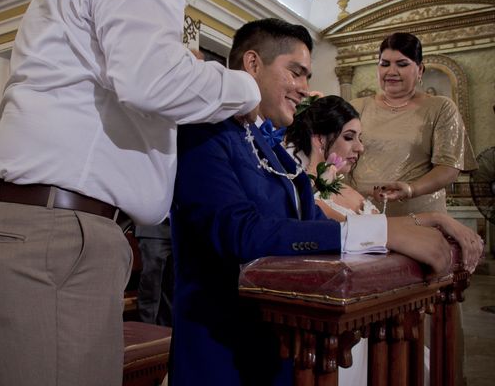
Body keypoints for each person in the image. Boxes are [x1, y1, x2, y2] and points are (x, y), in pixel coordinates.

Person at [0, 0, 260, 385]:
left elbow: (135, 80)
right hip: (60, 229)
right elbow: (152, 80)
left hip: (39, 218)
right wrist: (246, 88)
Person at [170, 19, 483, 386]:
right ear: (253, 64)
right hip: (222, 349)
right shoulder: (205, 131)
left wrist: (422, 221)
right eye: (296, 73)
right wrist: (383, 232)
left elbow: (309, 224)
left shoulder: (276, 154)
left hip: (287, 343)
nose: (305, 89)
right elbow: (242, 232)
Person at [285, 94, 483, 385]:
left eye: (360, 138)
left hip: (376, 314)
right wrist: (437, 220)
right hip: (342, 324)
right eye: (350, 137)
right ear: (318, 139)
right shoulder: (308, 192)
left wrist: (441, 220)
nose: (360, 148)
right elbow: (375, 232)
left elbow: (386, 227)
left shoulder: (348, 190)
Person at [350, 32, 476, 216]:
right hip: (360, 213)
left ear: (420, 70)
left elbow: (448, 167)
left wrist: (411, 189)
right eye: (384, 64)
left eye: (402, 64)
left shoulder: (440, 107)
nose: (391, 72)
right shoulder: (357, 107)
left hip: (418, 216)